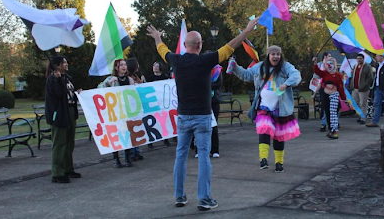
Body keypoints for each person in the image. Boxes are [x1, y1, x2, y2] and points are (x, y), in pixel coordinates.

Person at [147, 18, 259, 211]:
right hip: (203, 116)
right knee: (204, 157)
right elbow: (230, 46)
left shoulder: (176, 60)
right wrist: (246, 31)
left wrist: (157, 37)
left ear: (184, 45)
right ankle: (204, 198)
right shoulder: (206, 60)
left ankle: (179, 196)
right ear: (200, 45)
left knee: (180, 155)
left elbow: (162, 50)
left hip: (183, 116)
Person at [234, 45, 301, 171]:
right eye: (273, 54)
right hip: (264, 107)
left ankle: (279, 163)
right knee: (264, 130)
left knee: (278, 136)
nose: (276, 56)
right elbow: (246, 75)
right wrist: (235, 67)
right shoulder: (259, 67)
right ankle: (263, 159)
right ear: (268, 55)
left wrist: (286, 84)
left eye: (278, 54)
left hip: (280, 108)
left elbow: (296, 76)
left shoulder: (285, 67)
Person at [45, 56, 82, 183]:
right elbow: (58, 93)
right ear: (57, 65)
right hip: (59, 114)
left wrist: (77, 93)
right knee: (60, 143)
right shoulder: (52, 79)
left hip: (70, 112)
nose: (66, 64)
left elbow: (69, 95)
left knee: (69, 142)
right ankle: (57, 172)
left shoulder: (66, 78)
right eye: (64, 62)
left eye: (66, 62)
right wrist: (57, 80)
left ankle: (68, 168)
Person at [99, 59, 135, 167]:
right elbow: (99, 89)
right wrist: (108, 83)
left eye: (125, 65)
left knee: (127, 134)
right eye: (121, 65)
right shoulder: (111, 79)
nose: (124, 67)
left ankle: (127, 158)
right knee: (115, 134)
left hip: (126, 111)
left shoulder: (129, 79)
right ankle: (116, 158)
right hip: (115, 112)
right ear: (116, 68)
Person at [313, 56, 346, 139]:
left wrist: (344, 98)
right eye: (328, 64)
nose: (329, 65)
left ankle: (334, 130)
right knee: (327, 112)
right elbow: (317, 71)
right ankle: (331, 129)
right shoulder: (325, 73)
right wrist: (315, 62)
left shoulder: (338, 75)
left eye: (331, 64)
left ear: (334, 65)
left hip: (334, 95)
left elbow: (341, 87)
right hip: (325, 95)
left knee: (333, 112)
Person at [126, 57, 146, 161]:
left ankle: (137, 151)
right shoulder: (128, 79)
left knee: (137, 128)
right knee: (132, 130)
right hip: (130, 108)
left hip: (137, 108)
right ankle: (132, 153)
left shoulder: (136, 77)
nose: (138, 67)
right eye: (136, 65)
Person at [349, 53, 374, 124]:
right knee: (355, 103)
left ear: (363, 59)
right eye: (358, 58)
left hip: (363, 89)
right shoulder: (355, 66)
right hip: (355, 88)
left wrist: (364, 85)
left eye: (360, 58)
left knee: (363, 103)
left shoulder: (367, 67)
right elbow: (352, 76)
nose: (359, 60)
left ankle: (363, 118)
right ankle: (359, 115)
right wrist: (352, 85)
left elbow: (370, 78)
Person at [311, 52, 330, 131]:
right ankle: (323, 123)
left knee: (333, 107)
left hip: (332, 89)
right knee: (324, 106)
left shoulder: (331, 65)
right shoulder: (320, 65)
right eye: (329, 56)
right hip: (323, 87)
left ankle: (333, 122)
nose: (330, 58)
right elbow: (316, 74)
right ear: (325, 57)